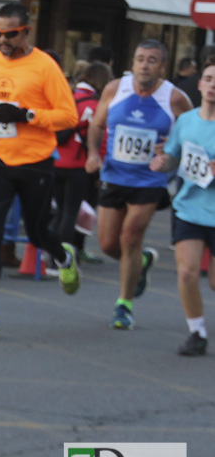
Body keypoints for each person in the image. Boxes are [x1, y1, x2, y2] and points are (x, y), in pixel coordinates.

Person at [0, 2, 81, 339]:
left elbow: (68, 116)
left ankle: (63, 257)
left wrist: (26, 115)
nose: (2, 39)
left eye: (9, 34)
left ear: (26, 32)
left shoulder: (45, 67)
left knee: (39, 233)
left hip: (35, 163)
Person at [85, 39, 191, 329]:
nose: (145, 65)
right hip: (113, 175)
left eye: (152, 60)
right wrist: (93, 154)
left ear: (163, 66)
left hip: (150, 179)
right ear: (132, 63)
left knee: (130, 236)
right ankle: (141, 262)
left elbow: (192, 131)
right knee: (108, 244)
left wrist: (174, 145)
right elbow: (96, 125)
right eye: (140, 59)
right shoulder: (115, 89)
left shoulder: (175, 98)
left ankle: (124, 305)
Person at [150, 56, 215, 356]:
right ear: (200, 84)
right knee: (187, 272)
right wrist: (163, 162)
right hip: (189, 207)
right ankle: (197, 332)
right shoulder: (186, 121)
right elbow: (174, 158)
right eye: (209, 79)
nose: (213, 86)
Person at [50, 62, 113, 265]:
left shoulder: (66, 97)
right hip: (78, 165)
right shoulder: (96, 106)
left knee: (58, 213)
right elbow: (101, 140)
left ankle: (49, 257)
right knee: (70, 213)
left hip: (55, 161)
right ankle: (61, 259)